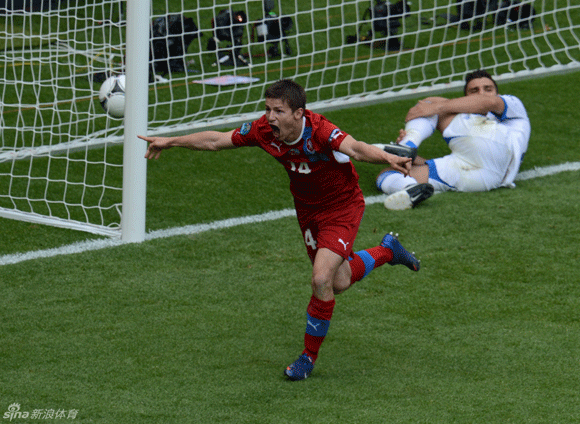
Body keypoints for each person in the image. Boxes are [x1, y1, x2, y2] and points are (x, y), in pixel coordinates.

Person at [139, 79, 422, 381]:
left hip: (342, 207)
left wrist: (388, 157)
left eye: (279, 111)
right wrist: (170, 141)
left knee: (321, 278)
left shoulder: (320, 130)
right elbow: (215, 141)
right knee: (337, 282)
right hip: (308, 212)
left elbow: (355, 148)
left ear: (299, 113)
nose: (270, 117)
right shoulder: (263, 131)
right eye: (268, 109)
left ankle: (307, 358)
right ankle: (387, 250)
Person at [375, 69, 531, 210]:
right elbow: (477, 152)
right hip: (486, 179)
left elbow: (489, 102)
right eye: (474, 91)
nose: (482, 93)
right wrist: (413, 158)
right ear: (465, 98)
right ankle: (410, 188)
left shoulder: (513, 105)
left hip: (500, 150)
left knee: (430, 102)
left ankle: (406, 145)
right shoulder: (470, 126)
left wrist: (435, 107)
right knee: (387, 174)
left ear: (498, 93)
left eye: (488, 89)